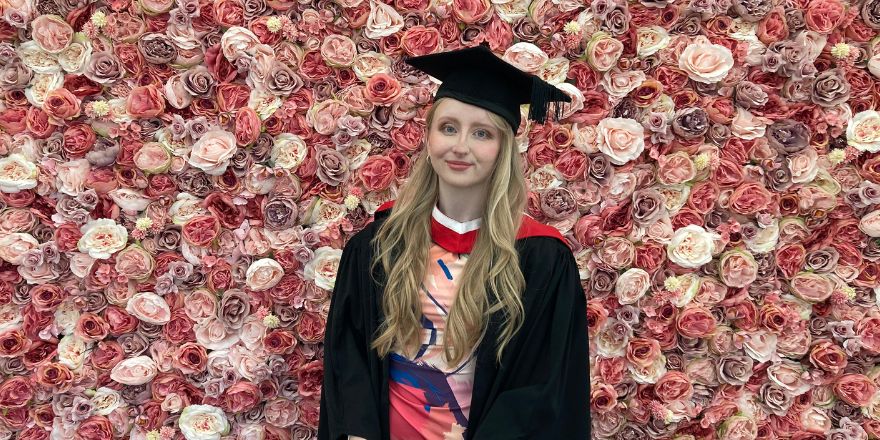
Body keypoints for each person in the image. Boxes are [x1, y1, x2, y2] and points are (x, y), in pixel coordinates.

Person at [318, 43, 590, 440]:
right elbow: (351, 356)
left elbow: (542, 384)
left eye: (481, 133)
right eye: (448, 128)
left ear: (502, 150)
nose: (461, 146)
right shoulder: (379, 244)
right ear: (428, 140)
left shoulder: (538, 258)